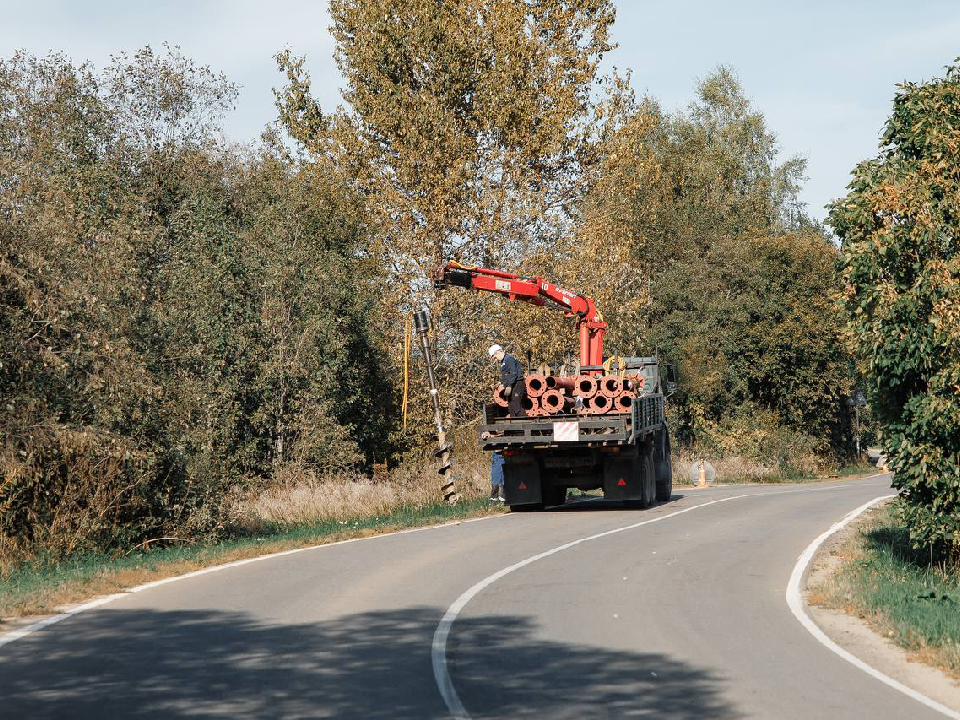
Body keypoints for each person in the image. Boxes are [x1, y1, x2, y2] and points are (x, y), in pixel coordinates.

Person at [488, 343, 526, 417]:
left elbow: (513, 373)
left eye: (494, 357)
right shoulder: (503, 362)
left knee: (516, 406)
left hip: (517, 384)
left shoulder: (509, 359)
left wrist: (509, 386)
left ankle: (527, 423)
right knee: (511, 407)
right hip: (512, 384)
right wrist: (501, 382)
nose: (495, 360)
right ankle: (515, 426)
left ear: (498, 352)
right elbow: (507, 375)